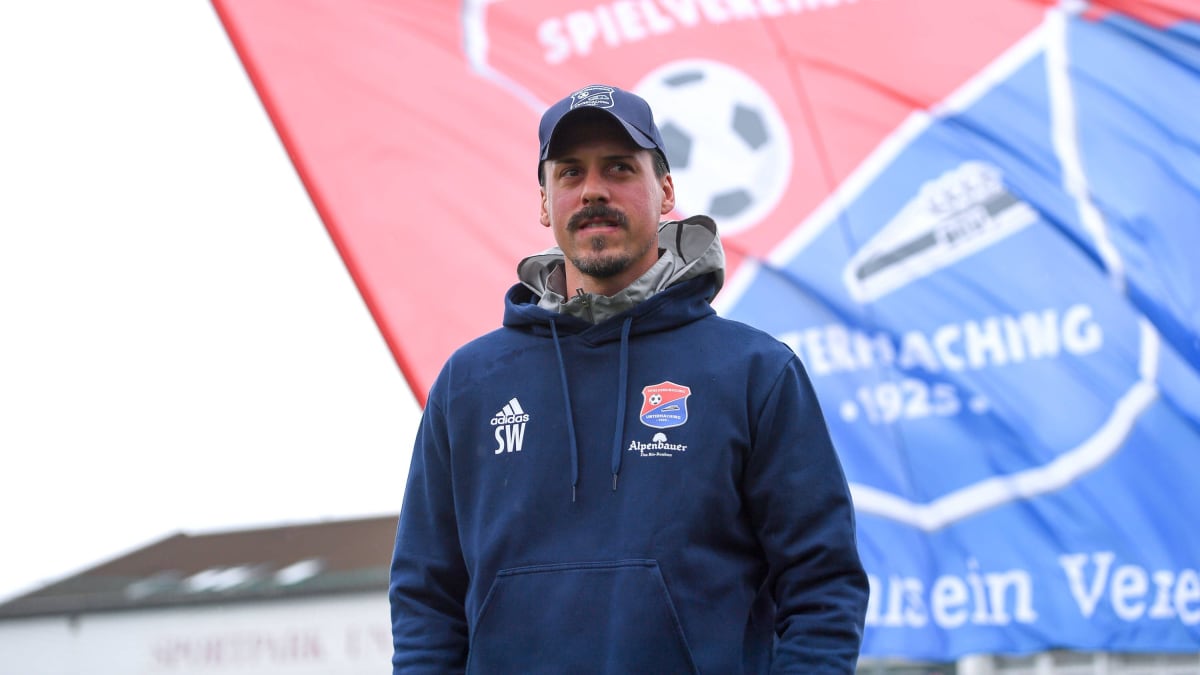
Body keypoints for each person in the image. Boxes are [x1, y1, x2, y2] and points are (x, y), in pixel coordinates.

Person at [389, 83, 869, 674]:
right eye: (570, 172)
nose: (593, 190)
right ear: (544, 202)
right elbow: (426, 598)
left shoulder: (755, 372)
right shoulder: (470, 384)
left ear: (665, 191)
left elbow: (823, 586)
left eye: (619, 167)